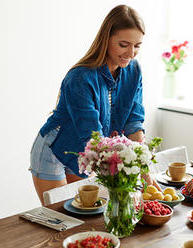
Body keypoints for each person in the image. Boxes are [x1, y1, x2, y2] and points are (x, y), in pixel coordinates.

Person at [30, 4, 161, 205]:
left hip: (88, 153)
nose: (131, 53)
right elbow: (92, 136)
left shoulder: (134, 71)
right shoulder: (81, 78)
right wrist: (125, 175)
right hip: (55, 151)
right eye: (124, 44)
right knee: (63, 220)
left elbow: (134, 121)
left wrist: (144, 168)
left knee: (88, 219)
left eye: (137, 46)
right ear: (106, 39)